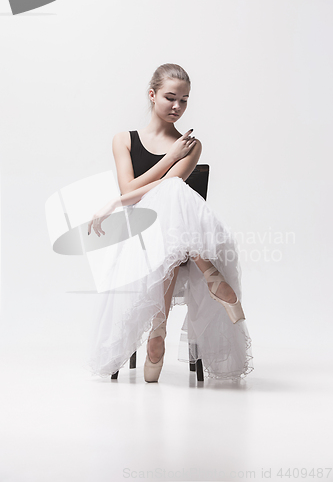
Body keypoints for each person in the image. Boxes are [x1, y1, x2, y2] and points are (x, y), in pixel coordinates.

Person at [87, 63, 254, 382]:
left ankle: (159, 330)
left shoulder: (192, 146)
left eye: (185, 100)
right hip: (138, 232)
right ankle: (212, 275)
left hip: (176, 238)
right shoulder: (123, 139)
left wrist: (114, 202)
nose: (178, 106)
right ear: (152, 95)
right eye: (170, 97)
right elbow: (131, 192)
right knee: (173, 192)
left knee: (175, 193)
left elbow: (165, 188)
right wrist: (169, 157)